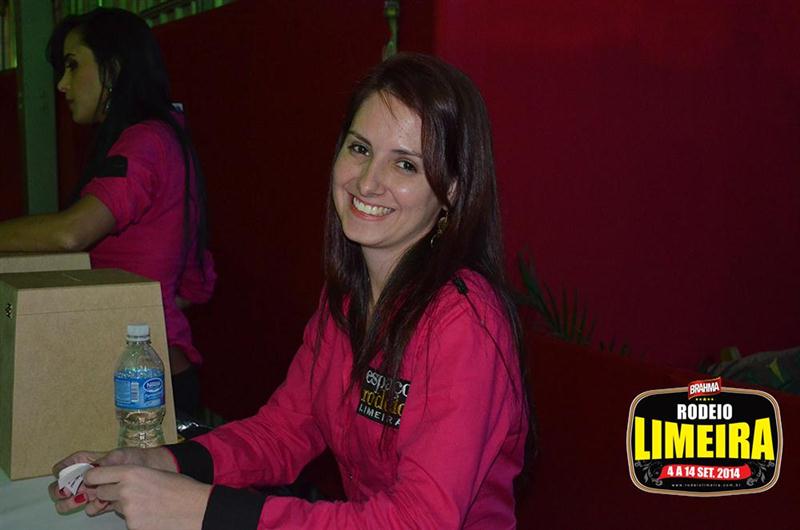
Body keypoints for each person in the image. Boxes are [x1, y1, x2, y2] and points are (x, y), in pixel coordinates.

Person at [49, 52, 530, 529]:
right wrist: (162, 462)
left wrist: (200, 508)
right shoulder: (347, 301)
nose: (368, 182)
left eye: (405, 164)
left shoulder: (464, 322)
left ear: (451, 191)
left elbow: (417, 521)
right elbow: (283, 431)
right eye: (360, 149)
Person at [0, 8, 216, 417]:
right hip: (160, 377)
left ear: (113, 69)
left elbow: (71, 233)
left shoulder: (144, 143)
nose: (62, 84)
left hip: (145, 390)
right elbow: (195, 284)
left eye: (72, 65)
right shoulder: (168, 139)